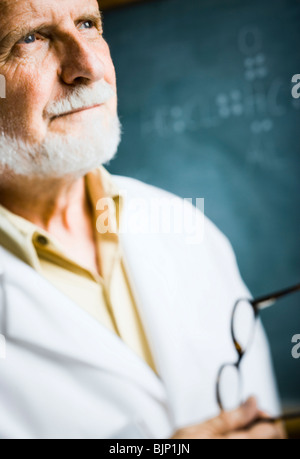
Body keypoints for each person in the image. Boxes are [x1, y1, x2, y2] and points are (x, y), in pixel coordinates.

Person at [0, 0, 285, 439]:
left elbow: (262, 417)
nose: (88, 66)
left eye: (88, 24)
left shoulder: (185, 227)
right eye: (31, 38)